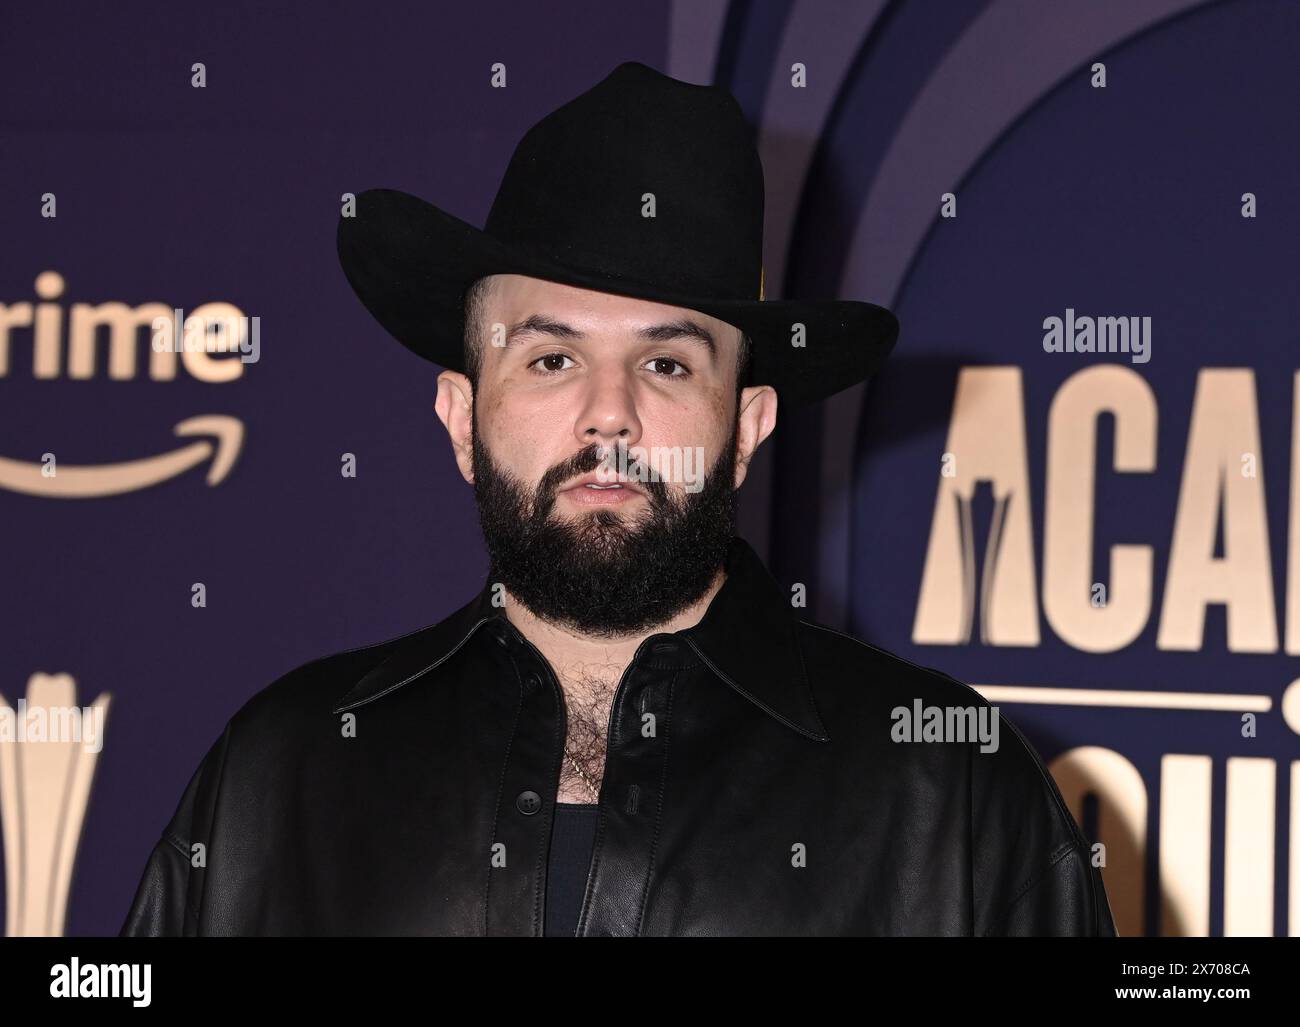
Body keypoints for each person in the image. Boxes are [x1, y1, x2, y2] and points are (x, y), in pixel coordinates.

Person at [120, 61, 1116, 937]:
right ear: (461, 417)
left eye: (669, 364)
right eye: (551, 358)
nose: (611, 418)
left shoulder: (949, 793)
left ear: (748, 428)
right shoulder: (281, 774)